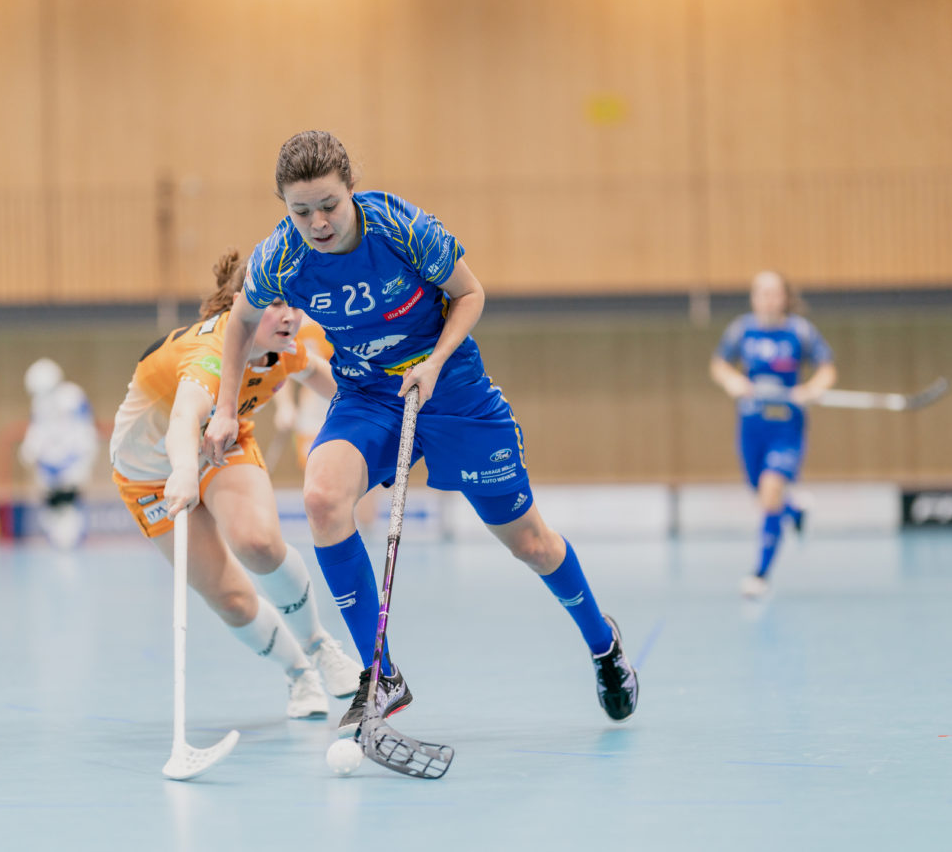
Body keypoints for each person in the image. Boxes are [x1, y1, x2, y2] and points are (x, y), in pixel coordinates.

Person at [203, 130, 639, 735]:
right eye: (300, 211)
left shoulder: (399, 228)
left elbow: (469, 293)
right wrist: (226, 408)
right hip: (368, 393)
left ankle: (602, 643)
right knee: (323, 499)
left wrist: (433, 363)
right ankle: (379, 674)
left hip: (450, 385)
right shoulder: (280, 256)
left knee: (532, 544)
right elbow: (240, 322)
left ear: (350, 191)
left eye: (328, 204)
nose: (318, 222)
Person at [109, 250, 361, 720]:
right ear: (244, 304)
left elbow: (319, 375)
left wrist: (380, 408)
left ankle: (320, 646)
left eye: (294, 303)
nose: (289, 316)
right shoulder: (207, 354)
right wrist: (183, 471)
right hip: (150, 474)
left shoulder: (281, 349)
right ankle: (298, 673)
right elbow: (182, 420)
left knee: (258, 543)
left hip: (220, 445)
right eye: (275, 304)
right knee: (229, 597)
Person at [709, 270, 837, 598]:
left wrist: (811, 389)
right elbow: (720, 364)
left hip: (786, 428)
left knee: (769, 493)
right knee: (763, 497)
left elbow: (826, 368)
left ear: (784, 298)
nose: (766, 299)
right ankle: (794, 509)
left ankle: (760, 575)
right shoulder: (742, 330)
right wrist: (732, 381)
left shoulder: (800, 332)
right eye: (760, 292)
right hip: (752, 427)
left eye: (773, 292)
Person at [269, 314, 381, 536]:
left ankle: (365, 538)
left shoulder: (355, 314)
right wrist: (285, 405)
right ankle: (332, 537)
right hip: (313, 415)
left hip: (356, 408)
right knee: (320, 486)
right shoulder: (295, 320)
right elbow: (281, 366)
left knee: (364, 482)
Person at [18, 358, 99, 550]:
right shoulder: (38, 403)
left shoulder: (72, 396)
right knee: (51, 504)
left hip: (71, 460)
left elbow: (84, 428)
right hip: (48, 463)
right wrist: (30, 448)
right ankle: (57, 538)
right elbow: (38, 429)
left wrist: (84, 456)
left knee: (69, 501)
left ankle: (72, 538)